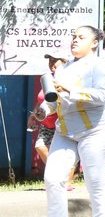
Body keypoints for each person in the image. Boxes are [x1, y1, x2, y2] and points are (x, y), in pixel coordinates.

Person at [33, 26, 105, 217]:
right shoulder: (65, 67)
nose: (74, 40)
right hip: (66, 131)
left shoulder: (99, 67)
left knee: (95, 180)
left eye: (81, 37)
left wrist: (70, 89)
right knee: (53, 178)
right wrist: (42, 112)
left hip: (95, 131)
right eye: (73, 36)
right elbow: (53, 101)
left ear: (94, 43)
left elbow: (102, 95)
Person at [29, 51, 77, 190]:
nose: (51, 64)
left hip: (61, 122)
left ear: (63, 61)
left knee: (67, 152)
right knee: (40, 146)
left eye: (54, 60)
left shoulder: (67, 77)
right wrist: (33, 115)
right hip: (45, 122)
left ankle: (65, 182)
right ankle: (57, 175)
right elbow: (41, 100)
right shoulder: (47, 78)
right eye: (49, 61)